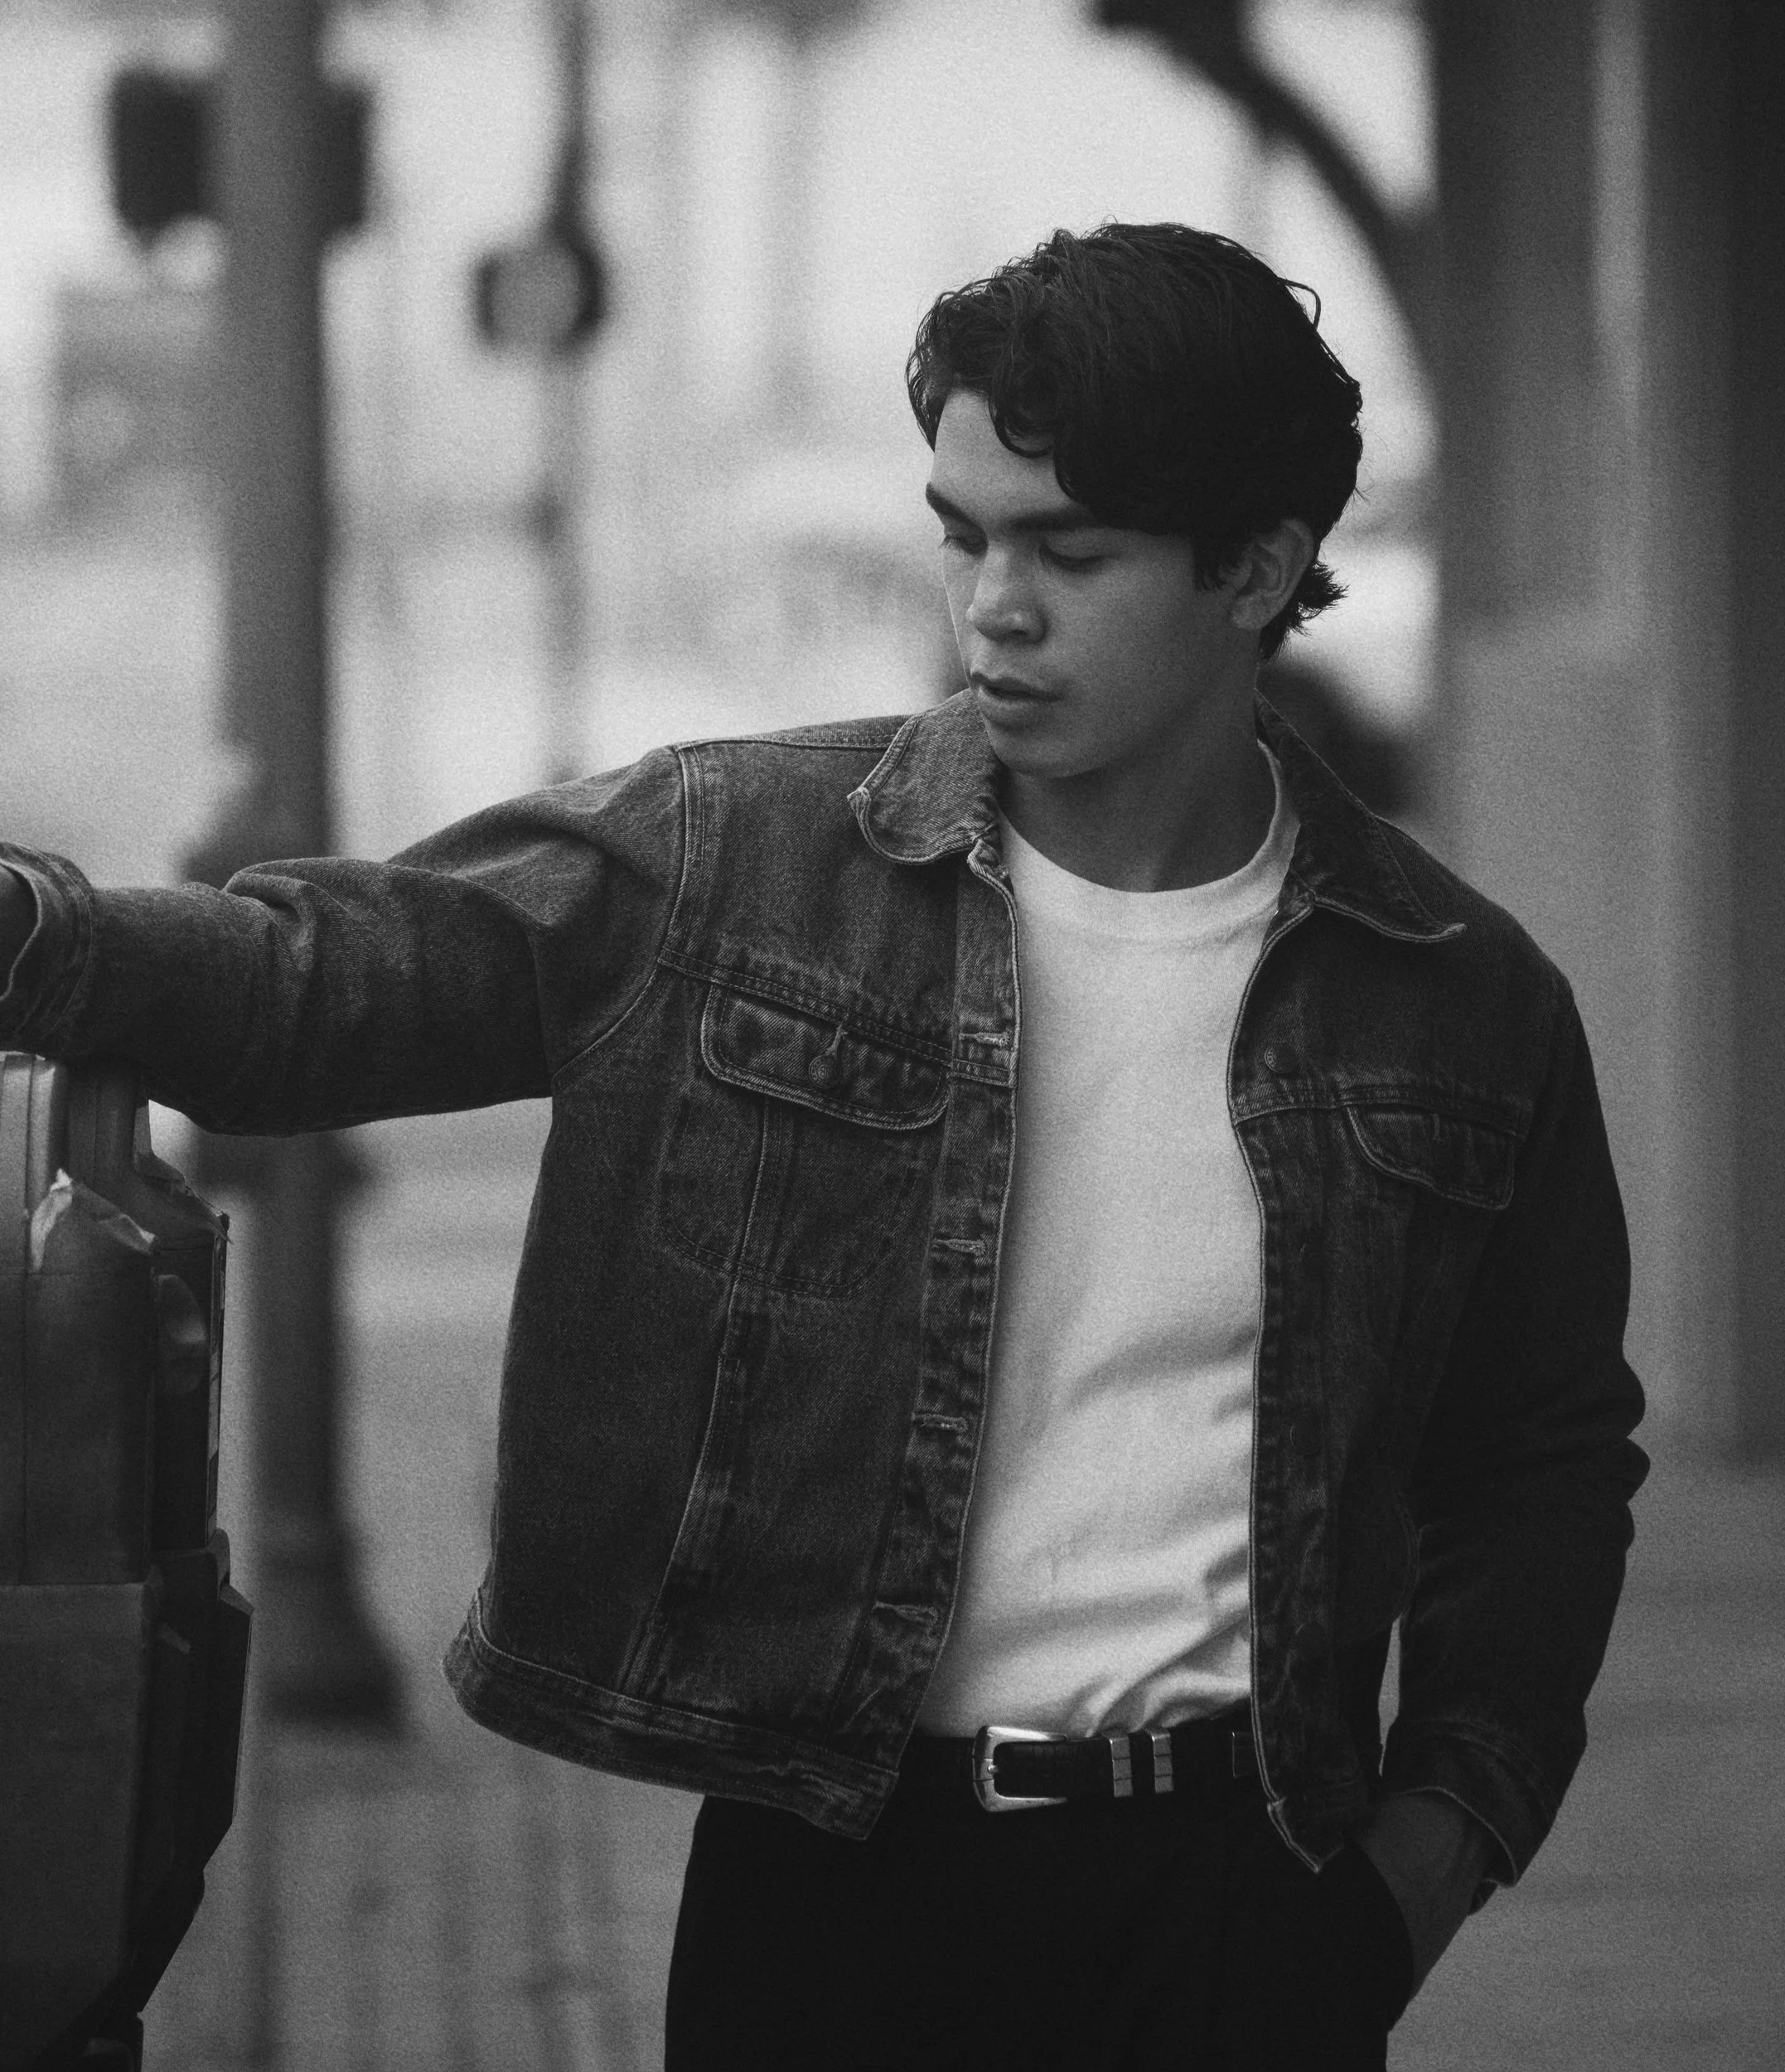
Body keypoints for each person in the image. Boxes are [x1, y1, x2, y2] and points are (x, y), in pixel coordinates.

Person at [0, 222, 1646, 2069]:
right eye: (963, 535)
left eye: (1069, 553)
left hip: (1239, 1895)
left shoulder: (1453, 1000)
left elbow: (1541, 1458)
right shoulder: (749, 862)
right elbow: (335, 978)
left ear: (1257, 568)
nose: (992, 607)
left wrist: (1431, 1853)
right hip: (833, 1885)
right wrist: (35, 937)